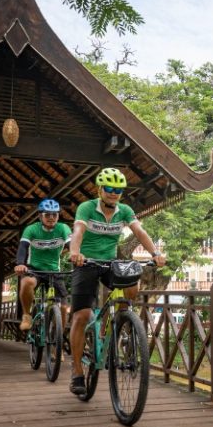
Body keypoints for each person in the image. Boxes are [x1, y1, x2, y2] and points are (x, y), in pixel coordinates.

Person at [67, 168, 166, 395]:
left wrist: (155, 253)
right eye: (109, 189)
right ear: (99, 189)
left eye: (118, 190)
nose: (113, 193)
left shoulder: (125, 210)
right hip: (85, 263)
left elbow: (139, 231)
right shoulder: (87, 208)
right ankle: (77, 371)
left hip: (109, 262)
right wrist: (75, 251)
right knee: (81, 315)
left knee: (132, 283)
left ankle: (120, 319)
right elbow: (78, 231)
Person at [15, 198, 72, 332]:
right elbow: (23, 247)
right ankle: (26, 315)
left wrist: (77, 255)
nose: (51, 217)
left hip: (54, 271)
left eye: (55, 214)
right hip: (34, 269)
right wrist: (20, 264)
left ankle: (57, 341)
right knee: (26, 282)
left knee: (63, 307)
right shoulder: (31, 229)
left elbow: (71, 245)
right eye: (47, 214)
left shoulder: (63, 228)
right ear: (40, 216)